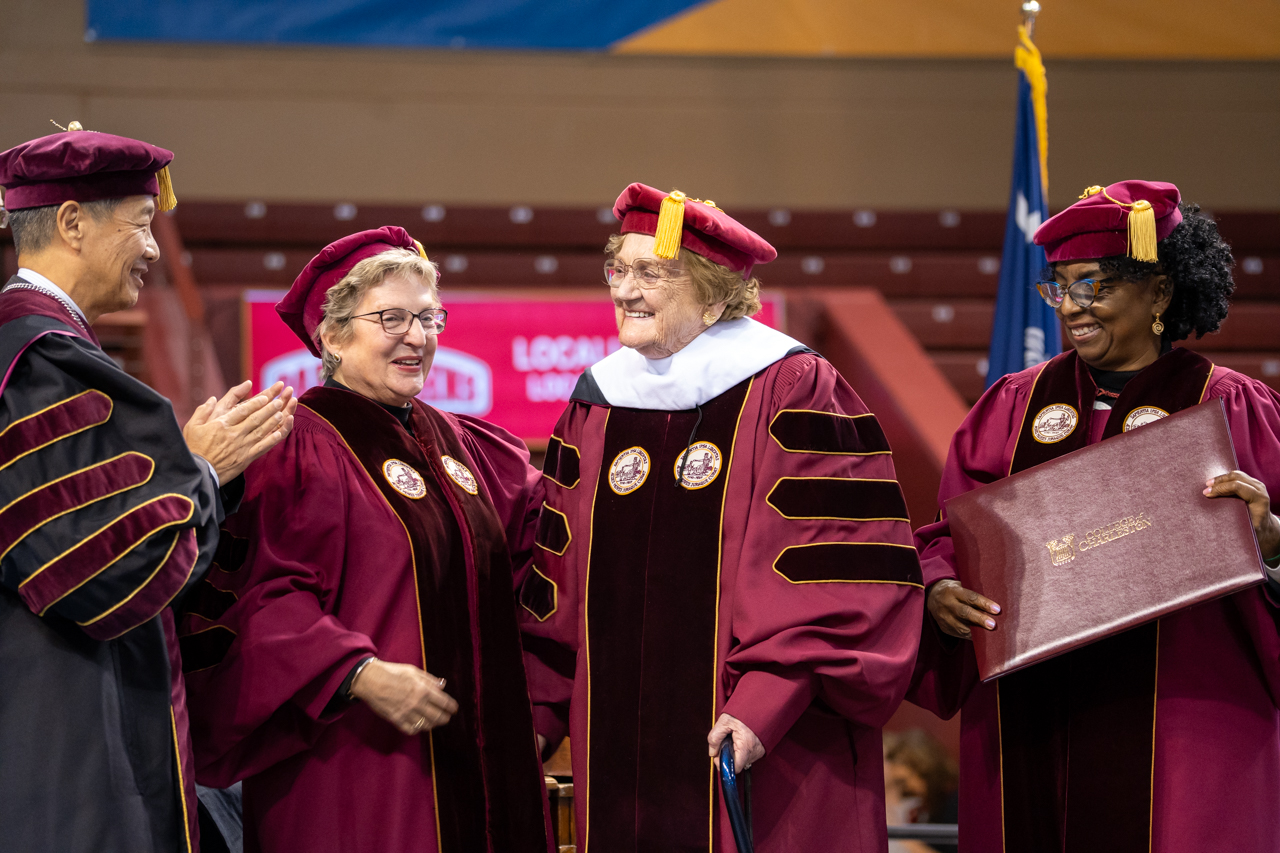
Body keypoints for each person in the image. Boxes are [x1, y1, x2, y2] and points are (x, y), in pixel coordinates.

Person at [519, 184, 925, 851]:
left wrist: (765, 699)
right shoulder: (598, 403)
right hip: (616, 751)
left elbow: (835, 567)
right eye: (619, 268)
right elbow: (556, 579)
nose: (625, 289)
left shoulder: (793, 387)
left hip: (764, 741)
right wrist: (537, 711)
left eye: (652, 273)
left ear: (713, 295)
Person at [908, 180, 1280, 853]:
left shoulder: (1228, 407)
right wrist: (938, 587)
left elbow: (1273, 534)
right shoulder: (1013, 406)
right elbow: (948, 533)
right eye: (1063, 286)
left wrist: (1273, 542)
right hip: (1030, 714)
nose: (1074, 307)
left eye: (1096, 286)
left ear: (1160, 293)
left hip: (1182, 720)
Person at [180, 227, 552, 853]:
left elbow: (542, 572)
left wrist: (538, 710)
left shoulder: (474, 451)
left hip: (486, 765)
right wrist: (358, 672)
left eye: (429, 317)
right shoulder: (293, 446)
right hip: (354, 762)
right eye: (392, 318)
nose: (419, 336)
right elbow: (262, 598)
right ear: (330, 335)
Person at [0, 126, 295, 853]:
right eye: (140, 223)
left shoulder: (42, 354)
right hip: (65, 737)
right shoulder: (44, 366)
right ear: (71, 223)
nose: (156, 249)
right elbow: (92, 573)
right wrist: (200, 471)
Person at [883, 729, 958, 853]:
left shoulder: (954, 803)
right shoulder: (932, 807)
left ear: (922, 768)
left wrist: (900, 834)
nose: (906, 789)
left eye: (904, 781)